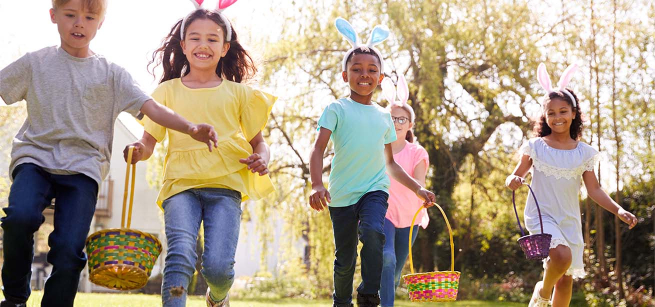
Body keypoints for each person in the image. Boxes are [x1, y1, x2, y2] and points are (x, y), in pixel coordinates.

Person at [0, 0, 218, 306]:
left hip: (83, 169)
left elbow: (151, 108)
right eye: (70, 15)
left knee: (68, 247)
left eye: (89, 17)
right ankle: (14, 298)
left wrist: (191, 127)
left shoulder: (111, 75)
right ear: (53, 16)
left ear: (100, 22)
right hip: (34, 159)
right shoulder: (35, 63)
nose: (80, 23)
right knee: (19, 218)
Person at [123, 1, 275, 306]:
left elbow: (260, 142)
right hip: (180, 185)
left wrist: (263, 157)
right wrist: (138, 151)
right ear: (182, 44)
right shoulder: (167, 91)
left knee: (218, 269)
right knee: (179, 255)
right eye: (194, 37)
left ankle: (218, 296)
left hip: (226, 186)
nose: (202, 45)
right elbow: (149, 143)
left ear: (224, 48)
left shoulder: (240, 93)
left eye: (212, 38)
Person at [309, 18, 436, 307]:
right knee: (344, 259)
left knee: (374, 233)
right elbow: (318, 149)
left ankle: (369, 294)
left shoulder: (383, 117)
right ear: (345, 75)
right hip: (341, 194)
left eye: (371, 70)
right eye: (356, 69)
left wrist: (418, 189)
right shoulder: (336, 109)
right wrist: (317, 184)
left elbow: (390, 164)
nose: (364, 75)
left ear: (380, 78)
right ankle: (341, 301)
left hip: (374, 191)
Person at [505, 63, 638, 307]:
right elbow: (514, 177)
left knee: (565, 281)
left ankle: (547, 293)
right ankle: (542, 293)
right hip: (542, 215)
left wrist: (618, 210)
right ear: (545, 116)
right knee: (561, 255)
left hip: (569, 219)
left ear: (574, 113)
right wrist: (513, 181)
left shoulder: (584, 153)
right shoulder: (536, 147)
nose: (558, 117)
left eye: (563, 111)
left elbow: (594, 189)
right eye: (552, 113)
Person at [378, 74, 430, 307]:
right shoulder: (376, 149)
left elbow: (419, 182)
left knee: (395, 268)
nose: (397, 123)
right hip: (383, 212)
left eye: (402, 119)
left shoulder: (417, 152)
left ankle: (380, 292)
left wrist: (423, 193)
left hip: (410, 218)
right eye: (392, 118)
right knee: (386, 257)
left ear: (410, 125)